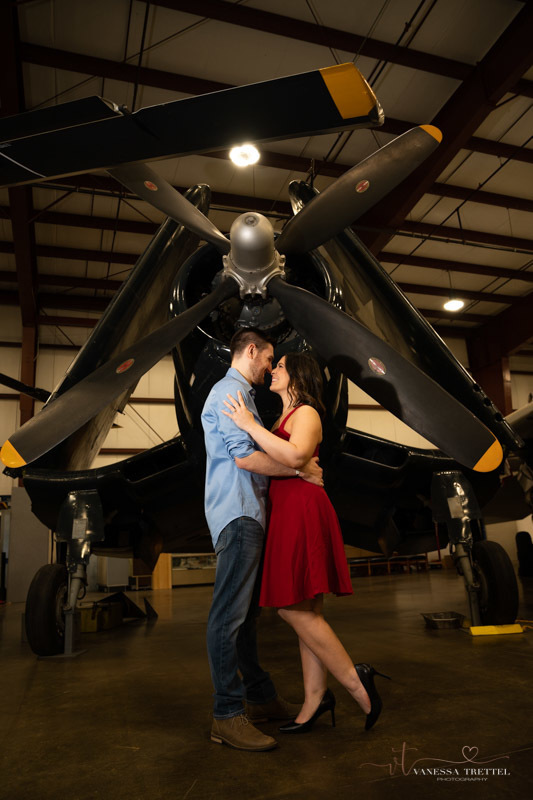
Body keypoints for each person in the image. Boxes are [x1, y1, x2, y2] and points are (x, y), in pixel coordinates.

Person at [223, 352, 390, 734]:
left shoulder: (307, 413)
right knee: (307, 612)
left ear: (297, 373)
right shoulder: (283, 417)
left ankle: (354, 679)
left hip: (301, 509)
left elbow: (297, 454)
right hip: (287, 507)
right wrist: (289, 458)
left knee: (289, 608)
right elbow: (292, 460)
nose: (273, 370)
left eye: (280, 365)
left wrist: (249, 424)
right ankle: (315, 700)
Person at [201, 329, 324, 752]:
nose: (271, 367)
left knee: (247, 619)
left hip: (249, 513)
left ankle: (260, 697)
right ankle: (226, 715)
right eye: (269, 358)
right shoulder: (229, 394)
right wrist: (299, 470)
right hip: (237, 514)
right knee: (229, 618)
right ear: (251, 351)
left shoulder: (244, 397)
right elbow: (243, 456)